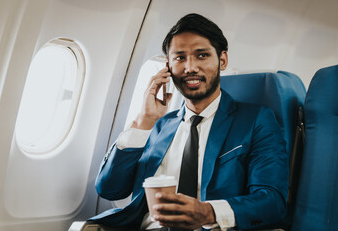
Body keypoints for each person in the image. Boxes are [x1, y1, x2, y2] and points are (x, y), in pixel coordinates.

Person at [89, 13, 288, 230]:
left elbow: (272, 201)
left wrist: (208, 213)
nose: (190, 67)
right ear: (168, 67)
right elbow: (109, 189)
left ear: (222, 60)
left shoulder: (256, 120)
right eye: (179, 57)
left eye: (201, 56)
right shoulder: (159, 126)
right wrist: (143, 122)